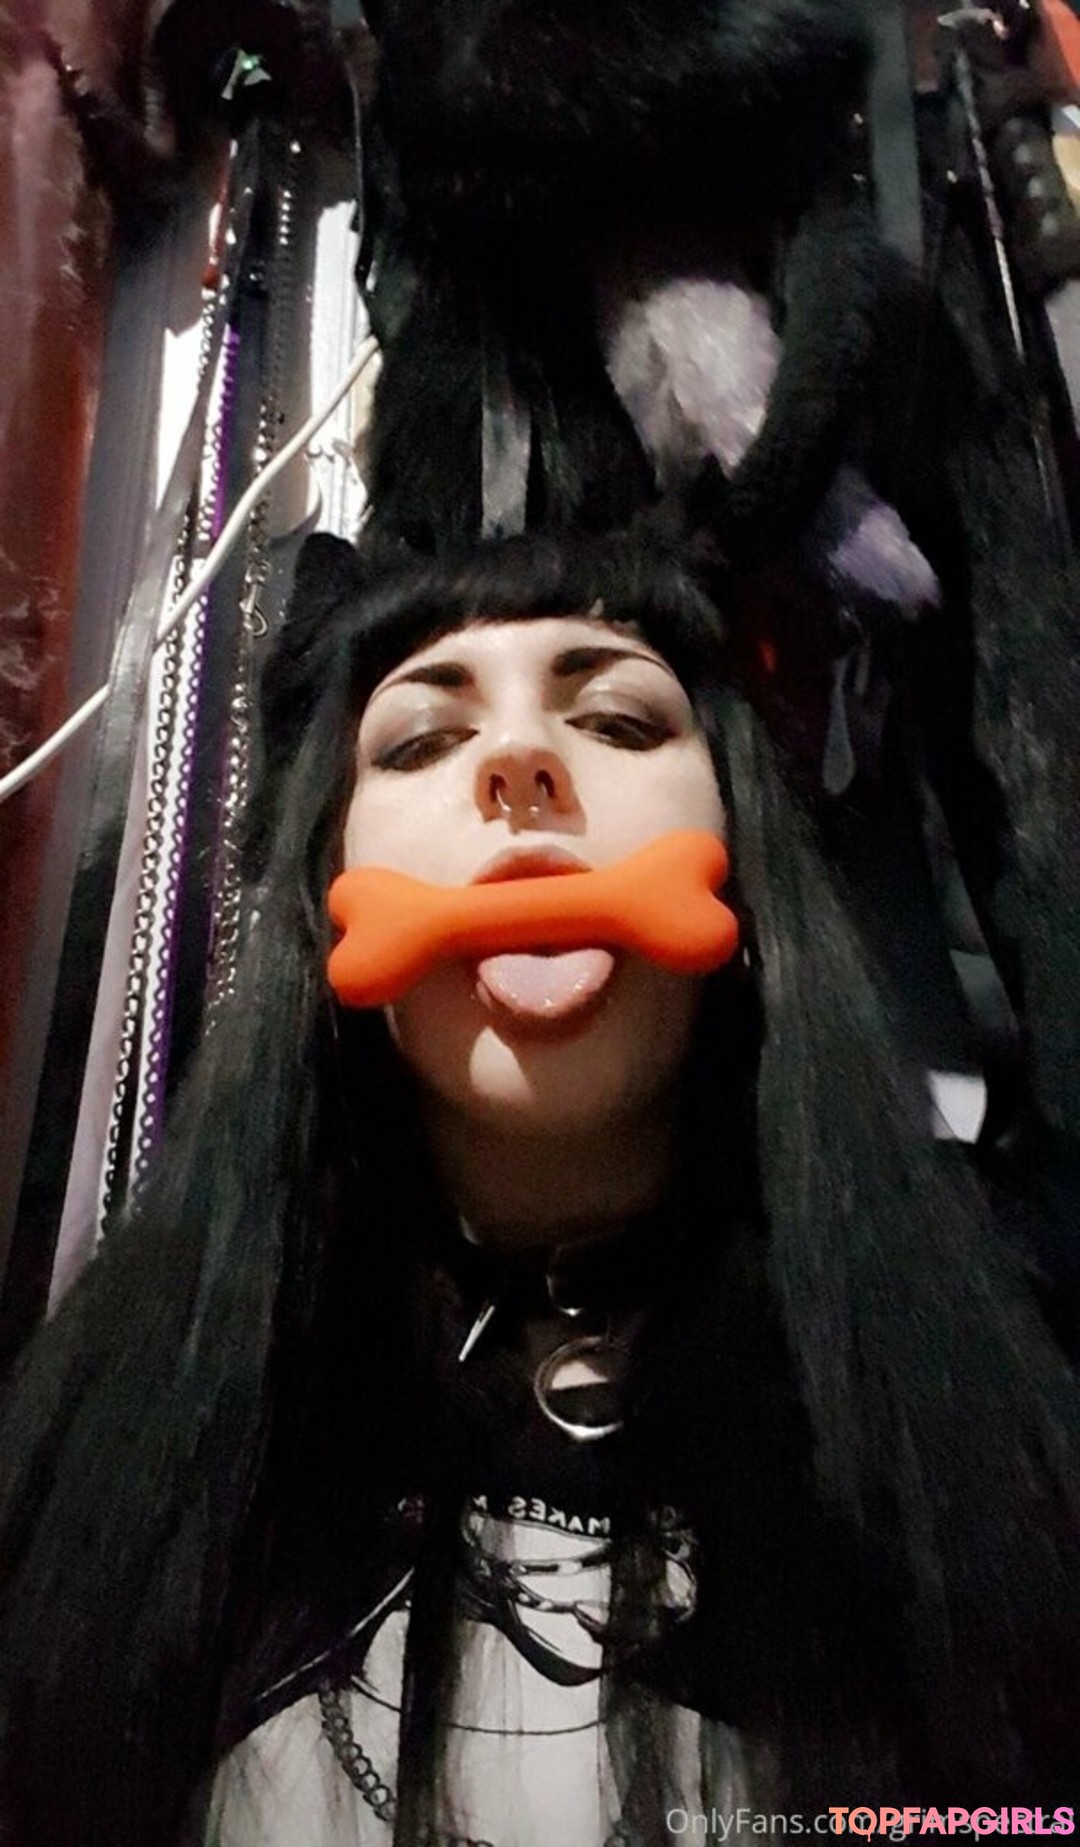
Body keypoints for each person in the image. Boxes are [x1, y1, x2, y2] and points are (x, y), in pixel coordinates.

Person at [0, 532, 1076, 1847]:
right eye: (418, 742)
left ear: (743, 855)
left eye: (618, 719)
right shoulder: (114, 1464)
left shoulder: (1010, 1399)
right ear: (326, 898)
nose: (519, 760)